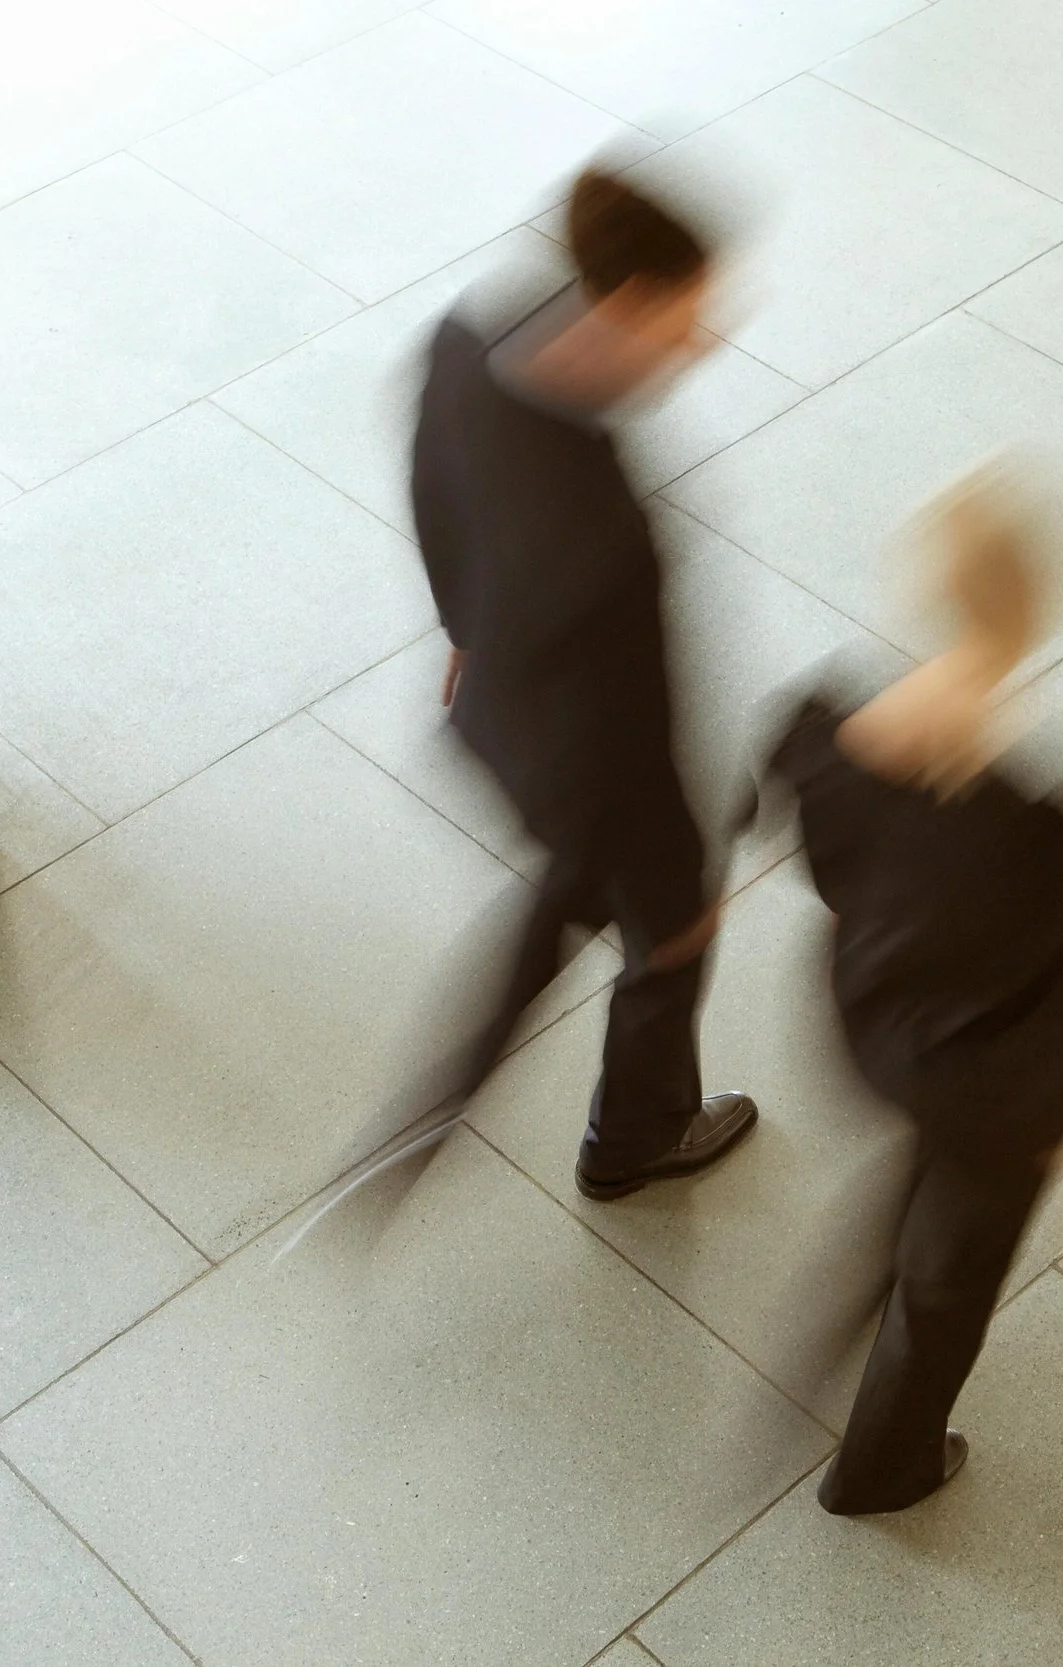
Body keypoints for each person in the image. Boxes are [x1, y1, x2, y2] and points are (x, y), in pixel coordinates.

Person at [409, 167, 756, 1201]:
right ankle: (635, 1136)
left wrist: (463, 627)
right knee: (666, 932)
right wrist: (677, 889)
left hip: (493, 713)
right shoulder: (603, 534)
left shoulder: (470, 340)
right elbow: (632, 732)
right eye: (688, 320)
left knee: (595, 909)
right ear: (631, 306)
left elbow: (433, 490)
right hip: (586, 776)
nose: (703, 342)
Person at [763, 463, 1063, 1514]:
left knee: (930, 1173)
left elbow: (812, 856)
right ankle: (883, 1462)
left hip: (863, 1020)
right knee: (950, 1268)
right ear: (1034, 611)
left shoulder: (813, 729)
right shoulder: (1043, 828)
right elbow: (1044, 1003)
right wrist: (1049, 1124)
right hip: (975, 1081)